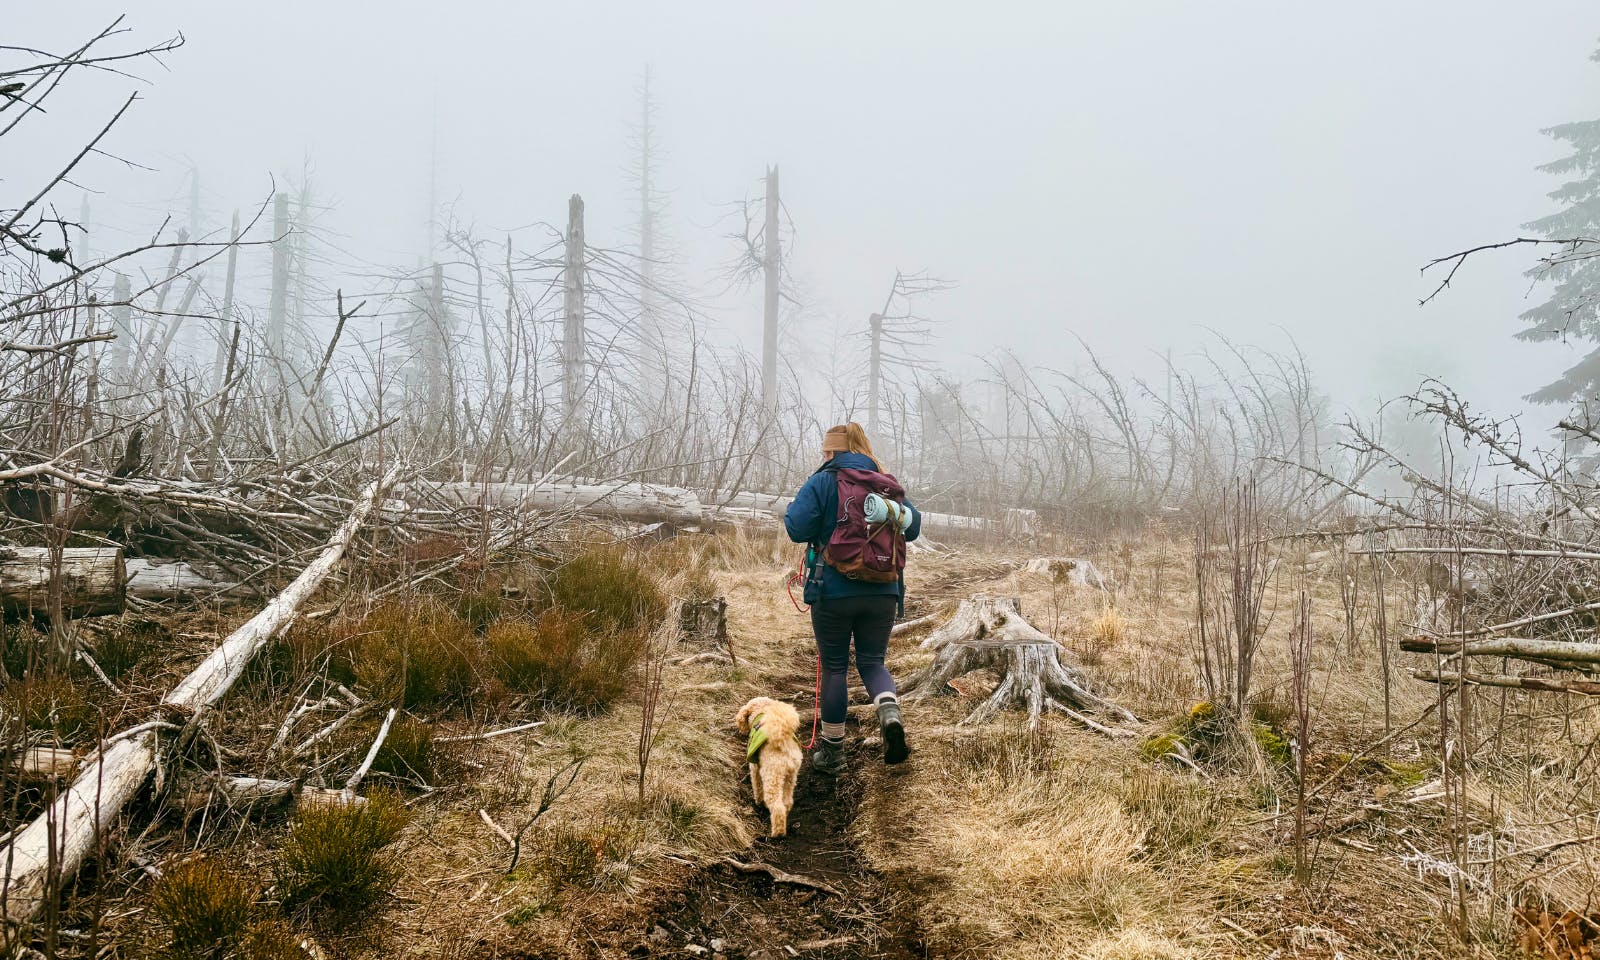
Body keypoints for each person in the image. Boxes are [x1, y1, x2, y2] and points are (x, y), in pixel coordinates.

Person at [783, 422, 921, 775]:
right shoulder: (883, 482)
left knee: (835, 668)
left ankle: (832, 752)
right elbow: (915, 526)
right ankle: (889, 714)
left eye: (824, 451)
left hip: (834, 590)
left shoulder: (823, 481)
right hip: (884, 592)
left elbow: (796, 528)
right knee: (872, 663)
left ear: (830, 452)